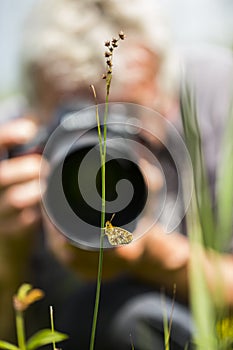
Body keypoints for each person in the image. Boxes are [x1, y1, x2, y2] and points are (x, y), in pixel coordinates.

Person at [0, 0, 233, 349]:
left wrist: (159, 255)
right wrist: (7, 260)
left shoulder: (217, 102)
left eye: (122, 124)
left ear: (162, 92)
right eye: (72, 129)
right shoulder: (11, 147)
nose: (100, 160)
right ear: (34, 113)